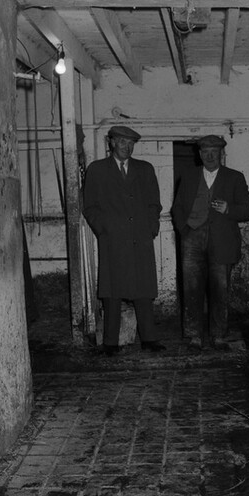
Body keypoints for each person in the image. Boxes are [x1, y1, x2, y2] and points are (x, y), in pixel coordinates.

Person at [82, 125, 166, 356]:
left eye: (130, 144)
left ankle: (149, 339)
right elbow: (90, 207)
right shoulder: (97, 170)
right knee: (112, 291)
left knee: (143, 290)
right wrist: (104, 229)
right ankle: (110, 342)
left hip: (141, 237)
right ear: (111, 142)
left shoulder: (145, 169)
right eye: (122, 142)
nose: (126, 147)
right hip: (113, 239)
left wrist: (151, 227)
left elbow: (154, 203)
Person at [171, 135, 249, 349]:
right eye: (205, 152)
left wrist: (229, 209)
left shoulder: (234, 177)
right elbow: (177, 207)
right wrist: (184, 229)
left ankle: (218, 335)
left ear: (221, 154)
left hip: (222, 239)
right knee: (191, 287)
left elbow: (248, 210)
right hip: (192, 237)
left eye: (214, 152)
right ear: (199, 154)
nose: (209, 156)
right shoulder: (188, 176)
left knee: (220, 289)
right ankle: (193, 335)